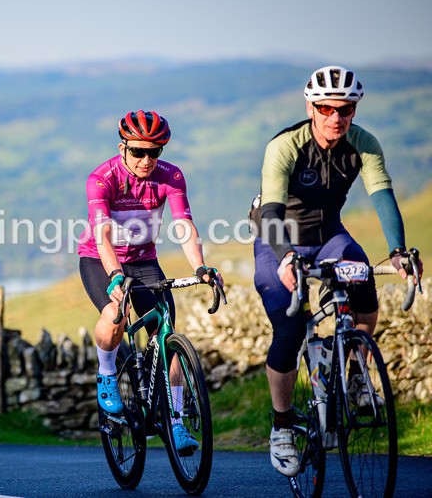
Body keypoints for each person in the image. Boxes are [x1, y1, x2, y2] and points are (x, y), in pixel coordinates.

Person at [251, 65, 424, 477]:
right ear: (311, 106)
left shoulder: (363, 144)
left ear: (354, 109)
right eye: (326, 108)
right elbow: (272, 211)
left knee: (362, 281)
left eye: (345, 109)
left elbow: (382, 196)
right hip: (278, 237)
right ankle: (281, 424)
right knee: (291, 326)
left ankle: (356, 371)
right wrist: (287, 256)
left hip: (330, 234)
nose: (335, 117)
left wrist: (398, 250)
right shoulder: (285, 145)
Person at [77, 110, 223, 457]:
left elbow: (184, 225)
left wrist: (200, 266)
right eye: (138, 151)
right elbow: (103, 235)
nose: (146, 160)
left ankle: (176, 421)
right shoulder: (101, 179)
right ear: (122, 147)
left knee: (167, 334)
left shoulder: (170, 176)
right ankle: (107, 373)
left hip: (143, 262)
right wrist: (115, 276)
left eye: (154, 152)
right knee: (115, 314)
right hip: (100, 259)